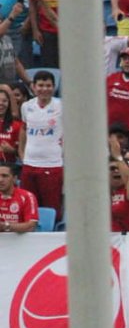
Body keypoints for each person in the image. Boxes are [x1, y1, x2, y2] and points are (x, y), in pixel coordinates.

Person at [19, 69, 61, 223]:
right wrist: (21, 152)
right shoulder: (26, 106)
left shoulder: (61, 106)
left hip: (53, 164)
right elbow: (24, 129)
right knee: (27, 207)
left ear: (54, 87)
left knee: (51, 208)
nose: (45, 89)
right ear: (34, 87)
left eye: (48, 85)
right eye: (41, 85)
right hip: (29, 164)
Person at [0, 161, 36, 233]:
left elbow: (31, 227)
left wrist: (6, 226)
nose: (0, 180)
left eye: (5, 176)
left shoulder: (27, 196)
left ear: (14, 179)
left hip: (20, 241)